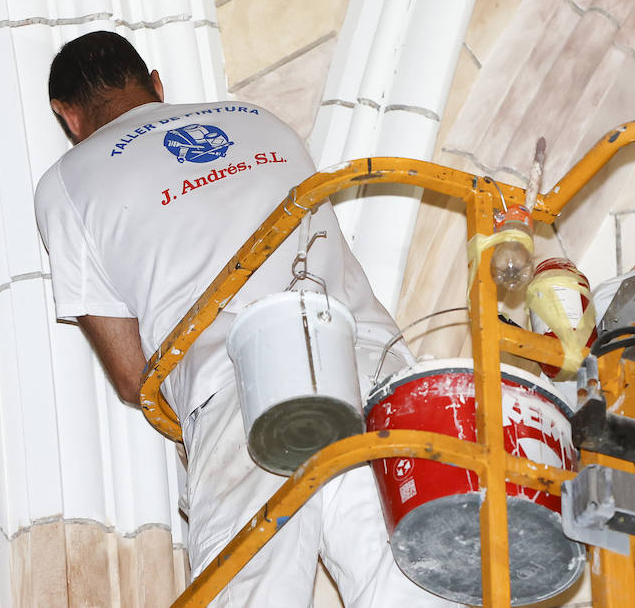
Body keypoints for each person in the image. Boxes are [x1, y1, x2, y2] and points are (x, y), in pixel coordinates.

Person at [33, 31, 458, 608]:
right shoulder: (259, 119)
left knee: (253, 590)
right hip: (371, 369)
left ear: (69, 115)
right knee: (411, 577)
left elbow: (133, 377)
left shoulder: (67, 180)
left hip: (239, 388)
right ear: (156, 84)